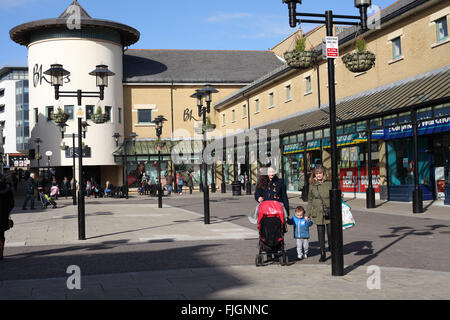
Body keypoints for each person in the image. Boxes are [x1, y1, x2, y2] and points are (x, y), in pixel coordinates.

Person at [306, 164, 332, 263]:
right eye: (316, 173)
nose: (319, 175)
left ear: (324, 173)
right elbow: (310, 200)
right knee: (320, 234)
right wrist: (307, 214)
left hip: (329, 210)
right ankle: (322, 253)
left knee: (330, 233)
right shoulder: (312, 184)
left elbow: (336, 195)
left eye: (320, 173)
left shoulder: (329, 183)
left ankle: (331, 246)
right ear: (314, 175)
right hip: (317, 211)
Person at [0, 174, 15, 260]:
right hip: (3, 215)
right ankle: (1, 254)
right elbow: (11, 203)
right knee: (1, 234)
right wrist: (7, 210)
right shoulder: (6, 188)